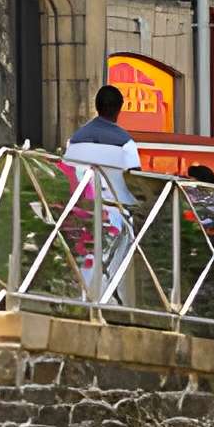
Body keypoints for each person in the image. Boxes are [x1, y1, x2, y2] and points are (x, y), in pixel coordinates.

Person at [62, 85, 143, 301]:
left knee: (85, 263)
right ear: (119, 109)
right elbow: (137, 182)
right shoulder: (126, 142)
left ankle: (83, 303)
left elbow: (67, 174)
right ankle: (112, 307)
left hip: (82, 213)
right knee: (116, 268)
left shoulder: (76, 139)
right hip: (117, 216)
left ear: (97, 107)